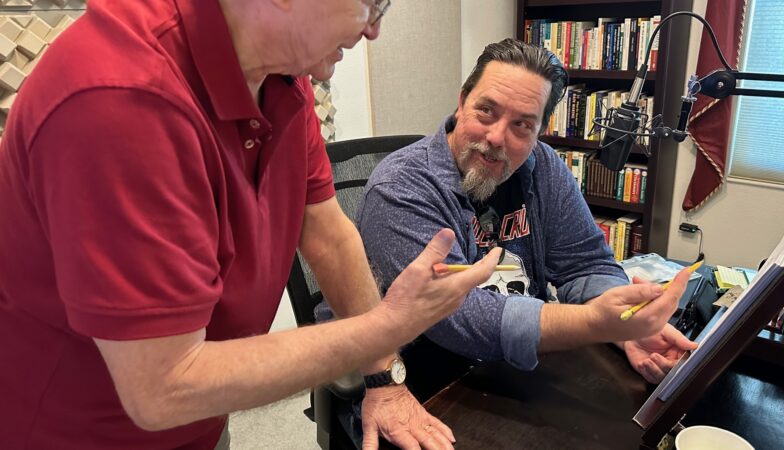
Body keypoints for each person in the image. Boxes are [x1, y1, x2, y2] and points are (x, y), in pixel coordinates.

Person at [0, 1, 500, 449]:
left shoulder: (283, 76)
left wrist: (384, 378)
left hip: (201, 420)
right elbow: (163, 387)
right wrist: (385, 326)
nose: (373, 30)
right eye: (372, 3)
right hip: (80, 431)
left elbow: (327, 234)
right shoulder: (119, 99)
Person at [354, 38, 697, 396]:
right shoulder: (400, 188)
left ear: (539, 133)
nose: (496, 137)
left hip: (518, 369)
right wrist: (595, 324)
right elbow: (455, 318)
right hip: (419, 381)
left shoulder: (545, 167)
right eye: (486, 110)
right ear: (461, 102)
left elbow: (586, 263)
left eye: (522, 125)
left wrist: (626, 322)